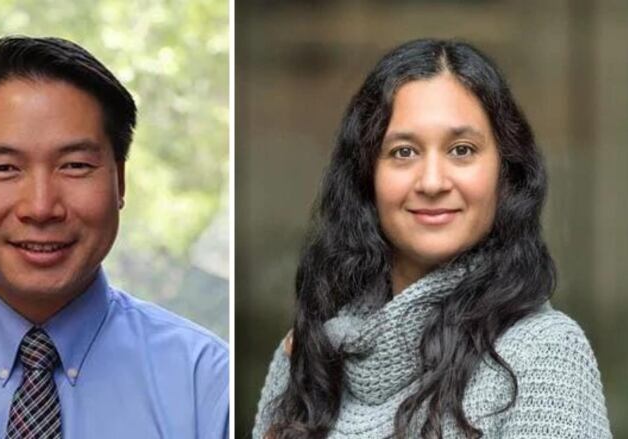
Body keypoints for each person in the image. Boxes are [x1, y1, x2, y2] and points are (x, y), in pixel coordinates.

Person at [0, 36, 228, 438]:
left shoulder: (206, 386)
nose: (41, 207)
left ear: (120, 181)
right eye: (4, 169)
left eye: (75, 165)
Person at [253, 39, 611, 438]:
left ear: (504, 173)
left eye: (462, 150)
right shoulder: (307, 355)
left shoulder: (543, 354)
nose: (433, 181)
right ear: (366, 177)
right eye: (404, 152)